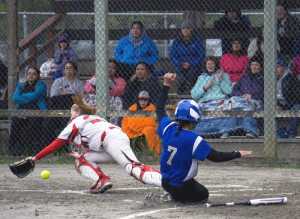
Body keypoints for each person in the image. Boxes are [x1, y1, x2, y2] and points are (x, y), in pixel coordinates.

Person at [156, 72, 252, 203]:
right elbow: (216, 157)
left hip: (165, 182)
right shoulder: (193, 139)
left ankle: (173, 194)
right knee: (203, 194)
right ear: (194, 120)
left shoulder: (168, 128)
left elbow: (159, 109)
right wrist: (237, 153)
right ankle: (178, 198)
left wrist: (166, 85)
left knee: (185, 177)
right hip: (179, 186)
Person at [30, 104, 161, 194]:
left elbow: (56, 144)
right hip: (110, 143)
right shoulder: (94, 118)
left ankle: (169, 183)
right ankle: (101, 180)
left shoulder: (76, 122)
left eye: (73, 113)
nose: (71, 116)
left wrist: (36, 158)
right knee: (82, 159)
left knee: (133, 168)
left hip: (112, 141)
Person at [191, 56, 233, 137]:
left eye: (212, 64)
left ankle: (224, 131)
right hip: (205, 101)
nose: (210, 66)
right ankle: (202, 132)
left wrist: (220, 80)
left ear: (216, 65)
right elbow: (194, 95)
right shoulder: (201, 77)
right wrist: (205, 88)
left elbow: (229, 91)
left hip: (220, 100)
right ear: (205, 65)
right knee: (196, 109)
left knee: (228, 106)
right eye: (208, 64)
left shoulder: (224, 76)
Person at [9, 66, 48, 155]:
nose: (31, 76)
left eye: (34, 74)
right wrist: (29, 97)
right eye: (29, 73)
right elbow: (15, 98)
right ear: (26, 75)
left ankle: (31, 150)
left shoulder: (41, 85)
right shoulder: (21, 85)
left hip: (37, 111)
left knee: (33, 124)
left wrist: (22, 97)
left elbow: (35, 95)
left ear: (38, 76)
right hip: (22, 111)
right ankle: (13, 150)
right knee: (15, 123)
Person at [169, 21, 205, 94]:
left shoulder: (197, 40)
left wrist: (191, 63)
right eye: (183, 28)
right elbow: (173, 55)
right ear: (181, 30)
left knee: (193, 71)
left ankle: (189, 89)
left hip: (193, 64)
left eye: (187, 28)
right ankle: (182, 89)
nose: (185, 30)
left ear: (191, 29)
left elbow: (201, 55)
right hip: (180, 64)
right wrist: (180, 63)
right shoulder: (176, 41)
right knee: (179, 71)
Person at [122, 90, 161, 155]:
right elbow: (125, 122)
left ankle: (151, 153)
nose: (143, 101)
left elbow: (151, 123)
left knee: (149, 130)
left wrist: (137, 125)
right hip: (132, 133)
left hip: (144, 134)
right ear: (138, 99)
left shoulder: (152, 108)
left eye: (145, 99)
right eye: (141, 99)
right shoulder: (132, 108)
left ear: (148, 100)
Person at [276, 58, 300, 138]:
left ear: (283, 67)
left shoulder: (290, 78)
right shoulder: (274, 79)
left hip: (291, 103)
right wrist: (278, 104)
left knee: (297, 108)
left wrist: (284, 104)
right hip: (280, 103)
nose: (276, 69)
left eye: (278, 67)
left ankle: (291, 133)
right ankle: (276, 133)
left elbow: (296, 95)